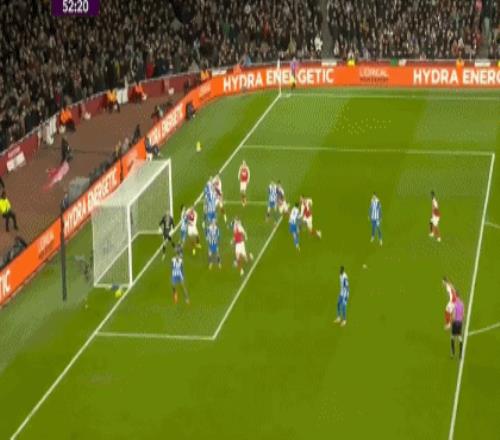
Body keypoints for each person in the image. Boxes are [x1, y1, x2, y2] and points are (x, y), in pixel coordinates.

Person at [450, 293, 465, 359]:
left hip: (455, 322)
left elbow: (454, 315)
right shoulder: (462, 303)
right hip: (460, 322)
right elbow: (463, 314)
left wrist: (451, 321)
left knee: (452, 337)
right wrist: (461, 320)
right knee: (460, 337)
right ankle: (460, 355)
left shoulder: (455, 304)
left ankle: (453, 354)